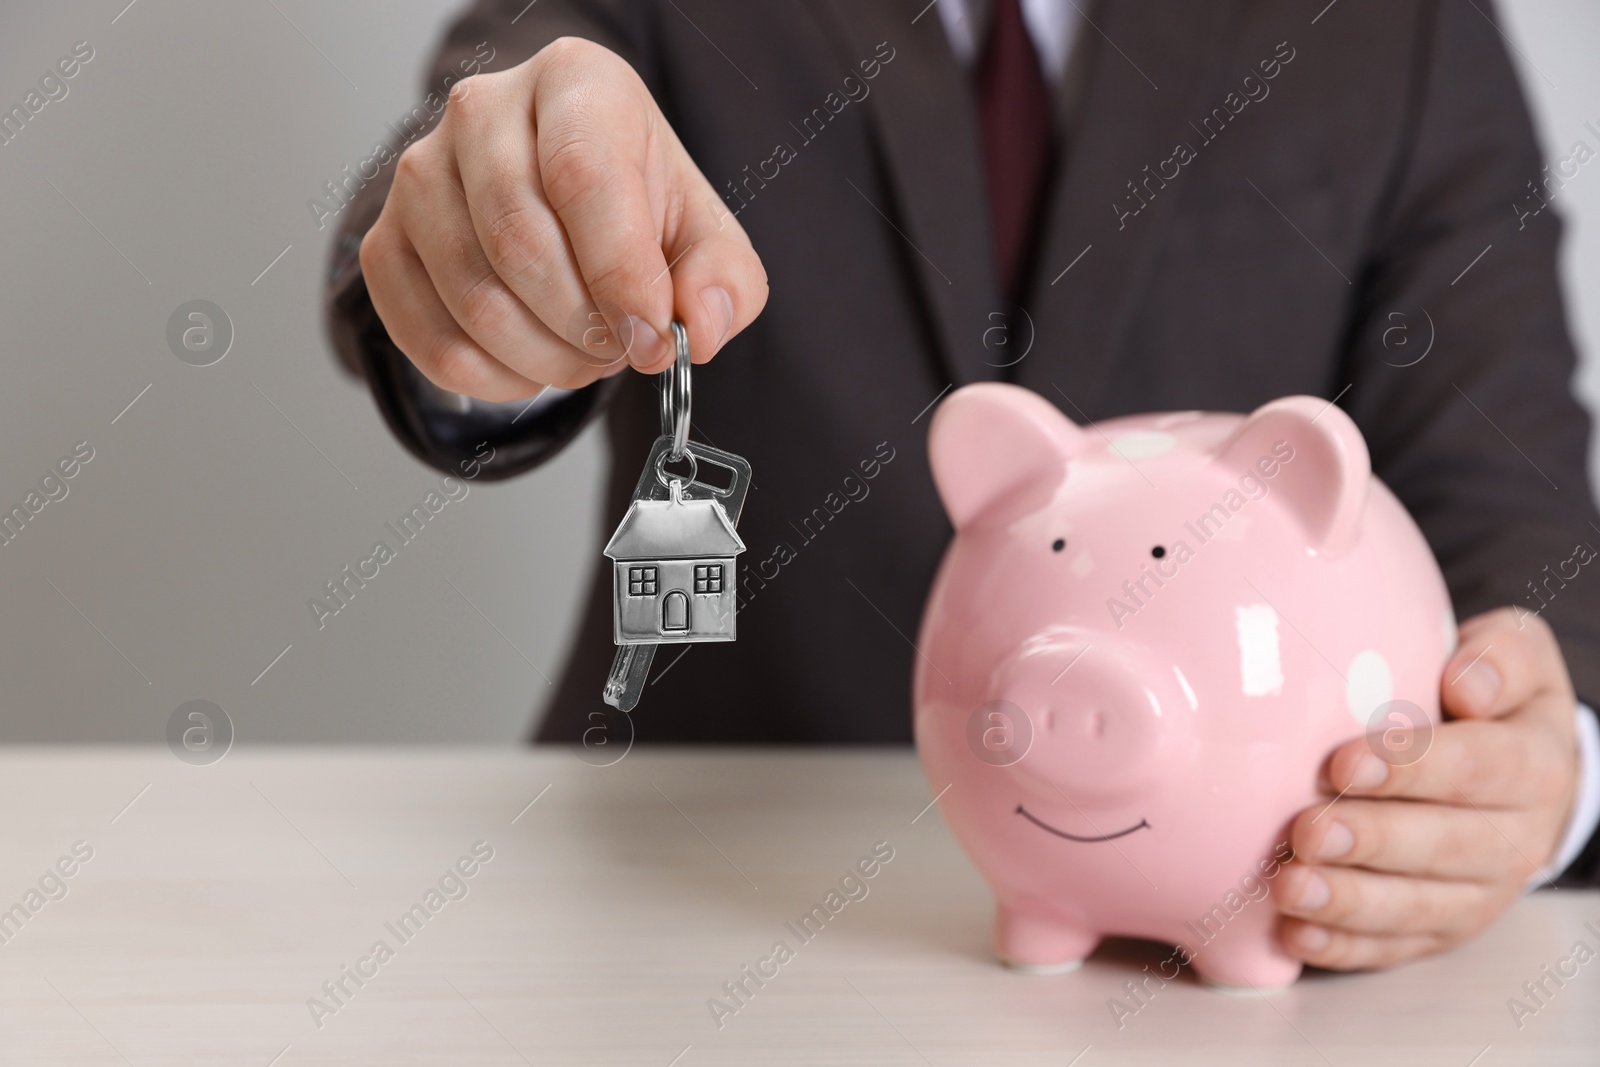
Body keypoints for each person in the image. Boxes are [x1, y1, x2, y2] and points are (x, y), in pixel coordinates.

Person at [324, 0, 1600, 972]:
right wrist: (494, 247)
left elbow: (1512, 499)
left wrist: (1542, 769)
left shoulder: (1401, 27)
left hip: (1235, 904)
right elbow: (481, 133)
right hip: (682, 899)